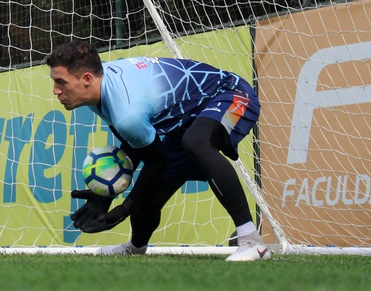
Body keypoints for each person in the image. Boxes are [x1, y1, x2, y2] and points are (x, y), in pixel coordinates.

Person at [46, 41, 271, 261]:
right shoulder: (100, 89)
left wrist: (125, 208)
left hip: (232, 95)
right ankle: (136, 248)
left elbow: (156, 161)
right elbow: (135, 149)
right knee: (146, 197)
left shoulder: (126, 112)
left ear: (86, 79)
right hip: (184, 125)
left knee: (197, 143)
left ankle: (252, 241)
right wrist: (104, 195)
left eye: (60, 82)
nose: (56, 90)